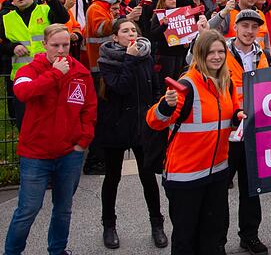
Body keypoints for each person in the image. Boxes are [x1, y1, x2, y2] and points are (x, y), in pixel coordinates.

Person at [146, 29, 243, 254]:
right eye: (211, 52)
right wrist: (165, 106)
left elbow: (229, 113)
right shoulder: (187, 85)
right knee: (186, 238)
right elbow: (154, 121)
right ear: (200, 54)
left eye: (221, 52)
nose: (217, 57)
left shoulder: (227, 83)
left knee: (215, 233)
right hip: (186, 177)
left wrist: (237, 116)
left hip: (218, 173)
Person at [4, 24, 97, 255]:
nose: (61, 50)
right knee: (28, 209)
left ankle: (58, 250)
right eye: (55, 45)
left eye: (65, 45)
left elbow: (89, 109)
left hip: (69, 153)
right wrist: (55, 74)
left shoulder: (81, 72)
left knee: (63, 209)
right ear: (45, 45)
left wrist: (82, 142)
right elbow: (24, 93)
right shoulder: (30, 69)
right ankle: (12, 251)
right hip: (36, 154)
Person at [93, 18, 167, 249]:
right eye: (125, 31)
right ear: (115, 37)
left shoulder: (145, 55)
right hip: (115, 126)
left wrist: (155, 110)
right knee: (112, 177)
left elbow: (154, 86)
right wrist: (130, 59)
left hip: (141, 125)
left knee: (148, 178)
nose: (131, 33)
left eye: (133, 29)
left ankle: (157, 224)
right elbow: (120, 87)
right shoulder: (107, 60)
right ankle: (109, 225)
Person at [218, 9, 271, 254]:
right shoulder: (221, 53)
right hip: (227, 133)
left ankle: (249, 235)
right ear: (236, 27)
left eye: (254, 27)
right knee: (218, 191)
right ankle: (216, 239)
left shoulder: (264, 55)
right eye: (245, 26)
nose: (250, 31)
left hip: (253, 132)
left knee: (251, 190)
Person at [0, 0, 71, 129]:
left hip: (50, 72)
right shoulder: (6, 19)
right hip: (22, 77)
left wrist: (51, 0)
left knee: (50, 119)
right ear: (12, 1)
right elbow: (2, 45)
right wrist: (13, 47)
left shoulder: (45, 10)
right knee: (26, 121)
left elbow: (62, 18)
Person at [149, 0, 188, 96]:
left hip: (179, 53)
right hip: (165, 54)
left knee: (177, 80)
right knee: (167, 83)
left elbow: (183, 31)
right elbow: (153, 35)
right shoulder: (158, 15)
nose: (174, 1)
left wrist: (186, 41)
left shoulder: (179, 13)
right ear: (164, 1)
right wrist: (164, 25)